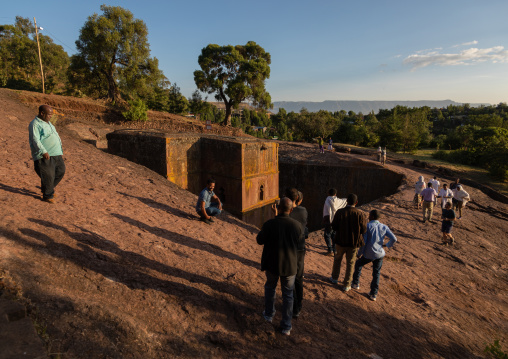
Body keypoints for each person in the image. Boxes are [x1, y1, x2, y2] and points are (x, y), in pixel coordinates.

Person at [257, 197, 302, 336]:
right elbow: (298, 243)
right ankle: (286, 326)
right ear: (291, 209)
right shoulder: (297, 226)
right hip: (289, 266)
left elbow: (259, 240)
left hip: (272, 264)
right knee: (288, 295)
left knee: (270, 288)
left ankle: (269, 314)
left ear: (278, 208)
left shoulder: (269, 224)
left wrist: (273, 218)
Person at [352, 210, 397, 301]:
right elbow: (394, 238)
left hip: (369, 253)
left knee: (358, 264)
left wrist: (359, 254)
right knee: (376, 273)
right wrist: (387, 245)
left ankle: (355, 283)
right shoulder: (384, 226)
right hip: (380, 253)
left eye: (369, 215)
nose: (368, 217)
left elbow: (363, 242)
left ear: (372, 216)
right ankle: (373, 294)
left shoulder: (367, 226)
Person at [329, 193, 367, 292]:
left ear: (347, 201)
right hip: (353, 243)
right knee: (350, 263)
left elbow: (334, 226)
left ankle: (334, 278)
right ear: (356, 202)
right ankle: (346, 284)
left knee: (337, 260)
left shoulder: (340, 212)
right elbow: (363, 230)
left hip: (340, 242)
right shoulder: (360, 214)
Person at [28, 105, 66, 203]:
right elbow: (35, 139)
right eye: (49, 114)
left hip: (56, 153)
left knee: (60, 171)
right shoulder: (35, 124)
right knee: (48, 175)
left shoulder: (49, 123)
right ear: (42, 113)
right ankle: (47, 195)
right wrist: (43, 151)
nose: (50, 116)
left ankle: (47, 188)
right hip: (45, 154)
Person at [288, 191, 308, 318]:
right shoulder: (303, 211)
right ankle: (298, 305)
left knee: (289, 277)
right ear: (298, 199)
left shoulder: (284, 212)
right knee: (298, 278)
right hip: (300, 247)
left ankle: (291, 304)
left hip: (287, 248)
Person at [322, 188, 347, 256]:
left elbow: (328, 209)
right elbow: (345, 200)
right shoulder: (338, 200)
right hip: (336, 219)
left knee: (327, 234)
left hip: (328, 219)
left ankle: (330, 250)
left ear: (328, 193)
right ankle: (335, 250)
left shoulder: (328, 199)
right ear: (335, 194)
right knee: (334, 234)